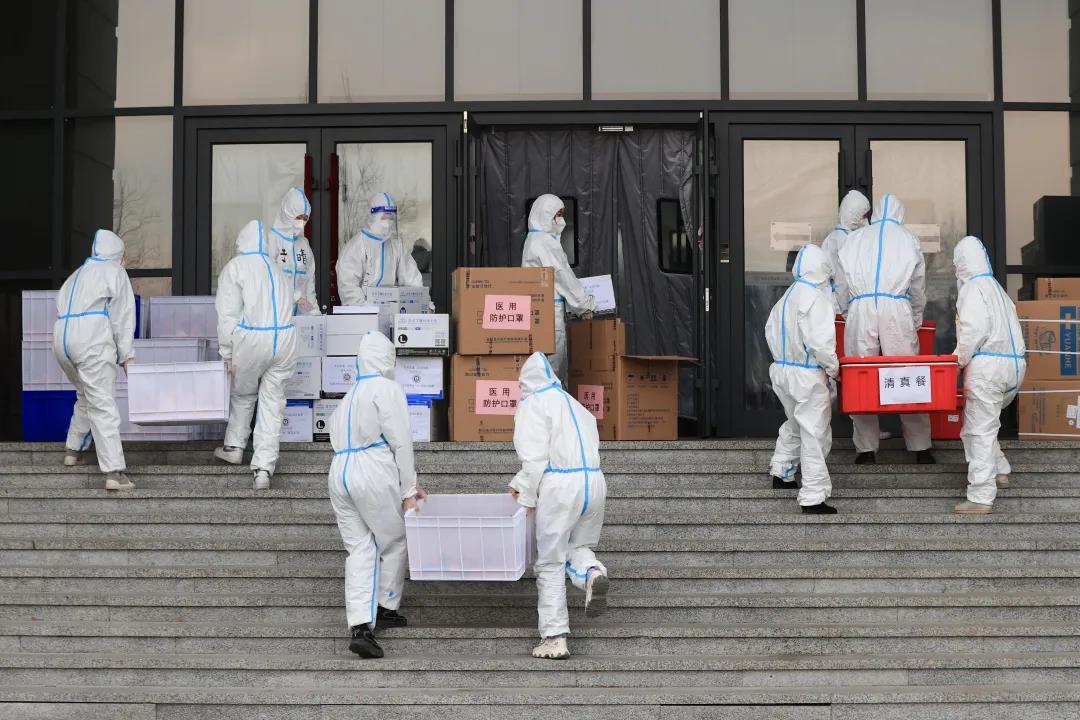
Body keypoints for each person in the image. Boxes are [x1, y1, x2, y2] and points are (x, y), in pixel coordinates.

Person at [327, 331, 426, 659]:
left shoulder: (349, 396)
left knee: (359, 548)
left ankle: (360, 626)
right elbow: (401, 442)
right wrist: (408, 488)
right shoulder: (387, 389)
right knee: (394, 540)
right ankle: (385, 607)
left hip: (340, 471)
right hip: (372, 468)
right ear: (387, 359)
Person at [510, 351, 608, 660]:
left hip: (560, 485)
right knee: (577, 546)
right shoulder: (574, 404)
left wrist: (526, 494)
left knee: (550, 561)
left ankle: (554, 637)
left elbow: (534, 458)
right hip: (593, 482)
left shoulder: (533, 404)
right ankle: (591, 572)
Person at [836, 193, 935, 465]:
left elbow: (841, 285)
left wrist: (849, 312)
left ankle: (866, 450)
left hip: (861, 308)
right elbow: (918, 286)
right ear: (900, 214)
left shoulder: (854, 239)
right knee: (908, 374)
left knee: (860, 378)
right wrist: (915, 317)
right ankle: (921, 448)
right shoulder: (908, 239)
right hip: (896, 309)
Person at [213, 220, 298, 490]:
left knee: (243, 393)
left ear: (241, 241)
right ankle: (263, 469)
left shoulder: (236, 267)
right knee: (273, 404)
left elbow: (227, 315)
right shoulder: (277, 268)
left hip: (252, 338)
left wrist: (227, 351)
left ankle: (234, 446)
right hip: (284, 339)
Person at [53, 229, 137, 491]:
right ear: (118, 254)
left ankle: (73, 449)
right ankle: (114, 471)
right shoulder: (115, 272)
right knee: (102, 402)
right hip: (91, 339)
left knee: (86, 394)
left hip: (62, 340)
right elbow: (122, 317)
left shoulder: (76, 275)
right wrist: (127, 355)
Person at [951, 236, 1026, 514]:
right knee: (987, 421)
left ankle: (980, 496)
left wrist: (956, 360)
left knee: (978, 429)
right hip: (1013, 367)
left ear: (962, 263)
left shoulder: (972, 289)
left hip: (988, 369)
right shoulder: (998, 290)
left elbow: (972, 331)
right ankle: (1000, 469)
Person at [765, 244, 840, 514]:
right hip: (807, 375)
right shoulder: (815, 298)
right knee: (814, 433)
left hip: (782, 371)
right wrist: (834, 368)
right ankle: (813, 497)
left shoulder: (786, 297)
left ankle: (782, 471)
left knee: (796, 423)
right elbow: (820, 343)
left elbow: (769, 331)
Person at [522, 195, 597, 384]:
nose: (561, 220)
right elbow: (562, 276)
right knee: (553, 372)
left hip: (540, 313)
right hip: (550, 316)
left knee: (544, 369)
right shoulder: (545, 242)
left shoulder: (533, 239)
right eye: (558, 214)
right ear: (546, 214)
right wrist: (584, 305)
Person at [336, 192, 423, 306]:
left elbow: (411, 278)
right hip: (361, 313)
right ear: (373, 216)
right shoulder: (356, 246)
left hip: (391, 309)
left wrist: (422, 303)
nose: (388, 223)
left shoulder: (396, 245)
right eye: (384, 217)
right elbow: (348, 286)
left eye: (391, 218)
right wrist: (365, 308)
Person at [269, 186, 319, 315]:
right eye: (298, 217)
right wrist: (295, 297)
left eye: (305, 218)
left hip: (300, 319)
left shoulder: (304, 245)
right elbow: (269, 280)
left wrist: (314, 312)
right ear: (287, 213)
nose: (302, 223)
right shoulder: (271, 241)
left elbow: (309, 283)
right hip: (276, 317)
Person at [820, 189, 871, 314]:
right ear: (853, 215)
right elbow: (843, 283)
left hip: (834, 304)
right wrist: (847, 312)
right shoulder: (844, 241)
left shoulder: (834, 238)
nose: (866, 220)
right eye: (863, 216)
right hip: (841, 307)